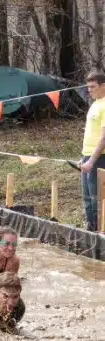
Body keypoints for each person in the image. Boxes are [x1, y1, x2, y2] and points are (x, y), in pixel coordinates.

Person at [79, 71, 105, 232]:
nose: (89, 90)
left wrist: (92, 160)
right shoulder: (95, 104)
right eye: (88, 87)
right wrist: (83, 158)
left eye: (93, 87)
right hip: (87, 156)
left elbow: (103, 138)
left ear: (103, 86)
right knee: (87, 197)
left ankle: (99, 231)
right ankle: (90, 228)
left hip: (100, 158)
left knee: (97, 197)